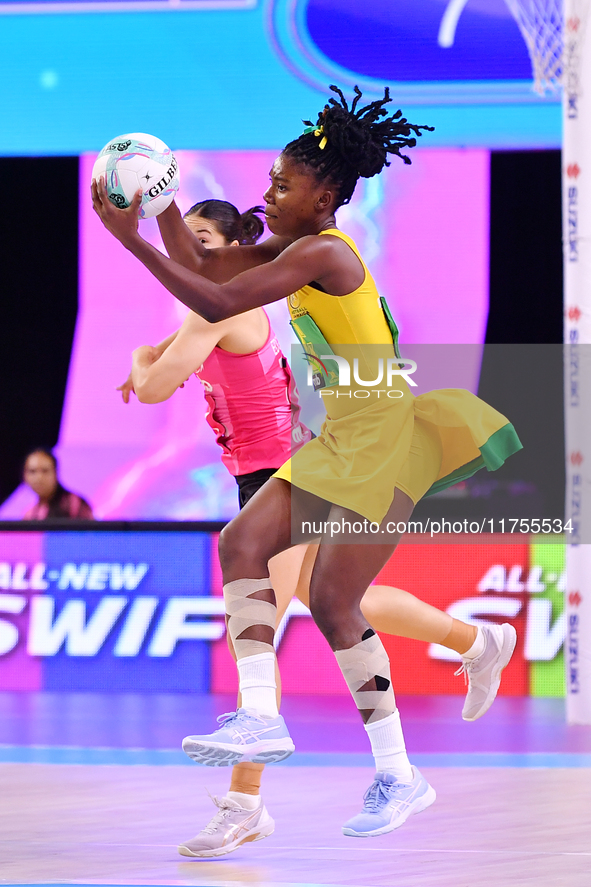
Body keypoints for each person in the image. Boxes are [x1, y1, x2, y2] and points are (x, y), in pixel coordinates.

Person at [92, 84, 521, 840]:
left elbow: (219, 303)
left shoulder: (323, 252)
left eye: (280, 184)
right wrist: (161, 199)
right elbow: (206, 264)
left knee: (314, 590)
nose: (266, 194)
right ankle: (371, 761)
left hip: (383, 435)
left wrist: (128, 241)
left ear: (324, 195)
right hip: (349, 437)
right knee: (294, 579)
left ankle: (312, 761)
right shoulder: (295, 248)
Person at [22, 448, 94, 520]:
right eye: (32, 471)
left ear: (55, 473)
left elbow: (90, 530)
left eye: (45, 471)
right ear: (24, 476)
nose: (39, 478)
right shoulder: (30, 514)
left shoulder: (74, 504)